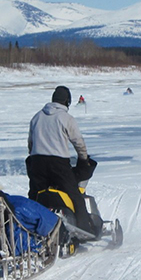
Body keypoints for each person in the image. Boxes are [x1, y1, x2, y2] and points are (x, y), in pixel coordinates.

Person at [26, 85, 95, 234]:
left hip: (37, 162)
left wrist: (34, 158)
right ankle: (84, 229)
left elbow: (30, 144)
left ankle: (30, 228)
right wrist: (83, 159)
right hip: (58, 163)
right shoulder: (66, 118)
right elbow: (78, 142)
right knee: (75, 195)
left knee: (35, 195)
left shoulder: (37, 117)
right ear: (67, 101)